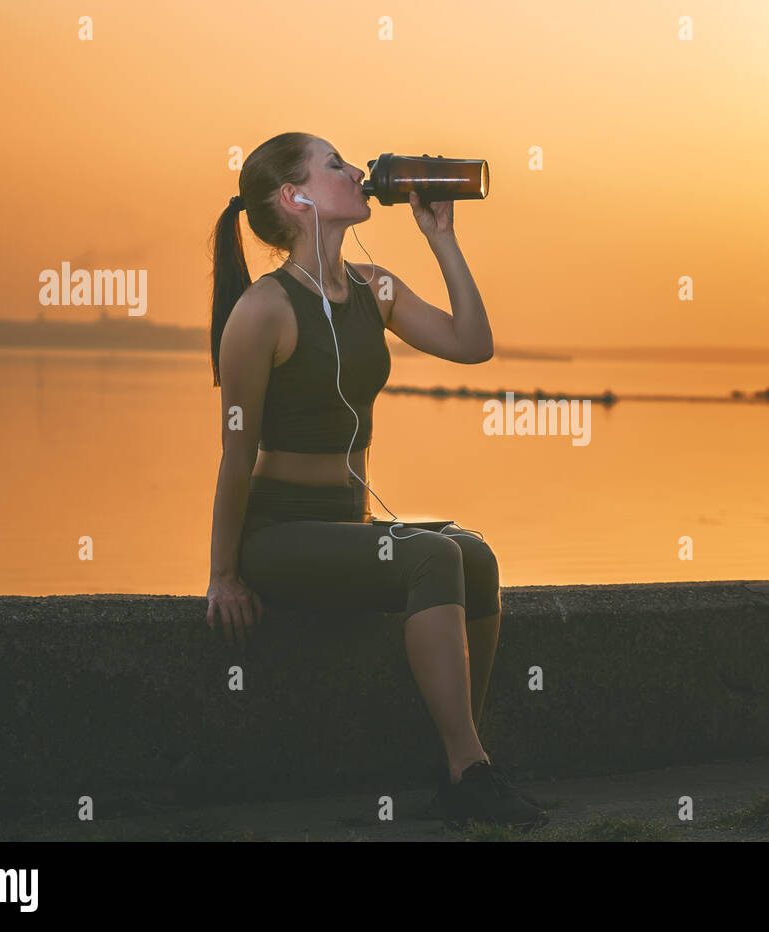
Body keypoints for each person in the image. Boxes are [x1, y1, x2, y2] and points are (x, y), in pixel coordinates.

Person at [204, 132, 546, 832]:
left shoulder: (374, 288)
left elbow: (472, 345)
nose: (357, 171)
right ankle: (469, 770)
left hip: (347, 524)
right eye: (335, 165)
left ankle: (460, 763)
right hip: (280, 536)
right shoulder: (263, 310)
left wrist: (441, 238)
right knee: (433, 555)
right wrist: (223, 573)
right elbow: (234, 456)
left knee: (474, 558)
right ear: (293, 199)